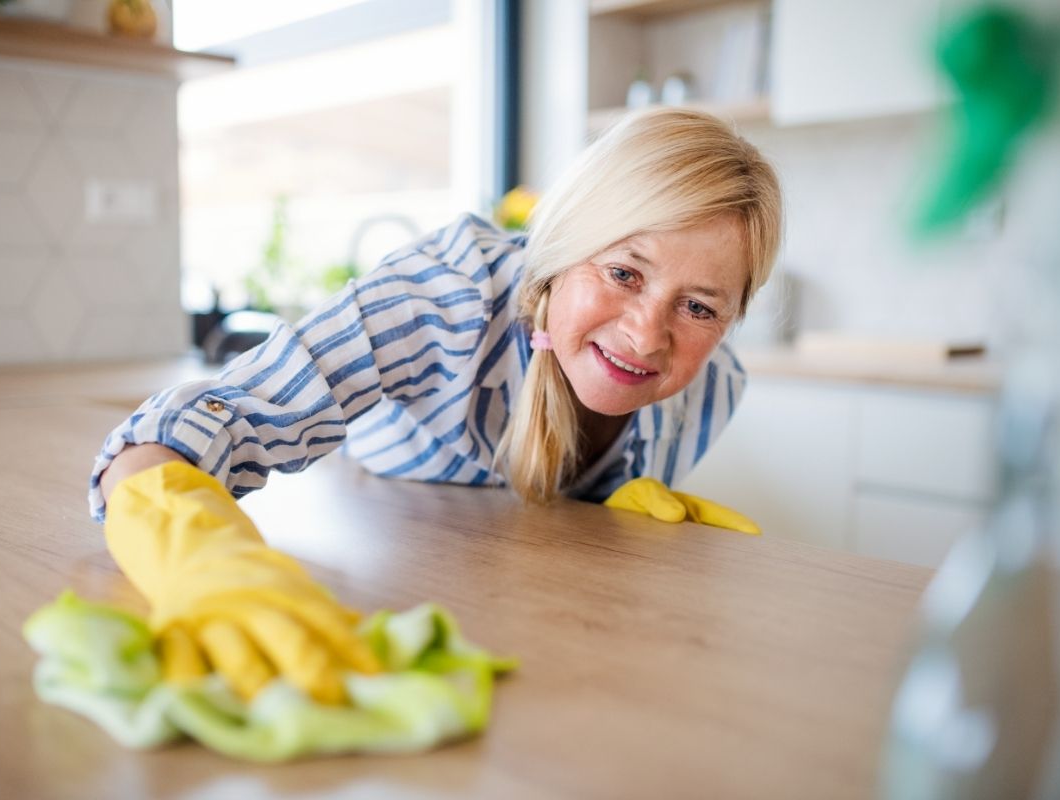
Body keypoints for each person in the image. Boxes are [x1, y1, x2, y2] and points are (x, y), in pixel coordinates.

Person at [94, 108, 783, 705]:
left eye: (698, 306)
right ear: (564, 246)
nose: (646, 334)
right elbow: (187, 430)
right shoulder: (443, 297)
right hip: (390, 552)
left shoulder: (713, 393)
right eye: (623, 272)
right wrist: (196, 558)